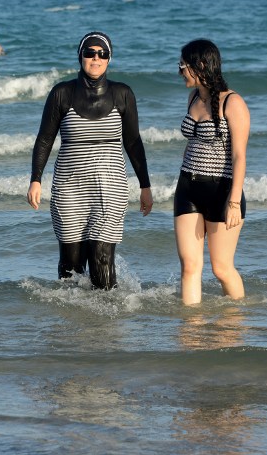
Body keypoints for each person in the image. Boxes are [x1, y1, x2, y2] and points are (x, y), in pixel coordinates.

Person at [27, 31, 153, 290]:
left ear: (109, 59)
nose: (96, 58)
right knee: (70, 265)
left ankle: (105, 322)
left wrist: (145, 186)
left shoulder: (122, 94)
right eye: (90, 53)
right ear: (80, 56)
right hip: (69, 187)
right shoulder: (61, 94)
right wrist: (35, 180)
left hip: (110, 186)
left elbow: (133, 142)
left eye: (102, 53)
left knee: (102, 258)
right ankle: (73, 323)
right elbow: (44, 139)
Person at [173, 39, 249, 305]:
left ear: (201, 65)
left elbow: (239, 156)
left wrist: (234, 202)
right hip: (187, 188)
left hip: (222, 190)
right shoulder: (192, 97)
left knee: (221, 269)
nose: (180, 70)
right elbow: (191, 144)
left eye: (183, 65)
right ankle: (191, 333)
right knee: (190, 267)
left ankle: (235, 322)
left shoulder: (233, 102)